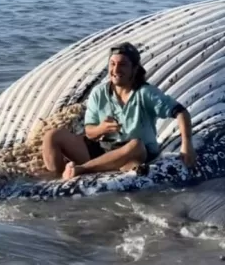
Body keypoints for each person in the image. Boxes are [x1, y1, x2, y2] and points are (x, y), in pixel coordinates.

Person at [41, 42, 196, 180]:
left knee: (136, 145)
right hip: (103, 149)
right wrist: (101, 129)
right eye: (112, 64)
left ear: (134, 69)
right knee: (52, 136)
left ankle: (81, 170)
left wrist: (186, 145)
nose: (116, 69)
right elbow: (89, 132)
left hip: (131, 154)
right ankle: (57, 180)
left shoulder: (145, 93)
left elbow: (181, 112)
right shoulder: (99, 93)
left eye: (122, 65)